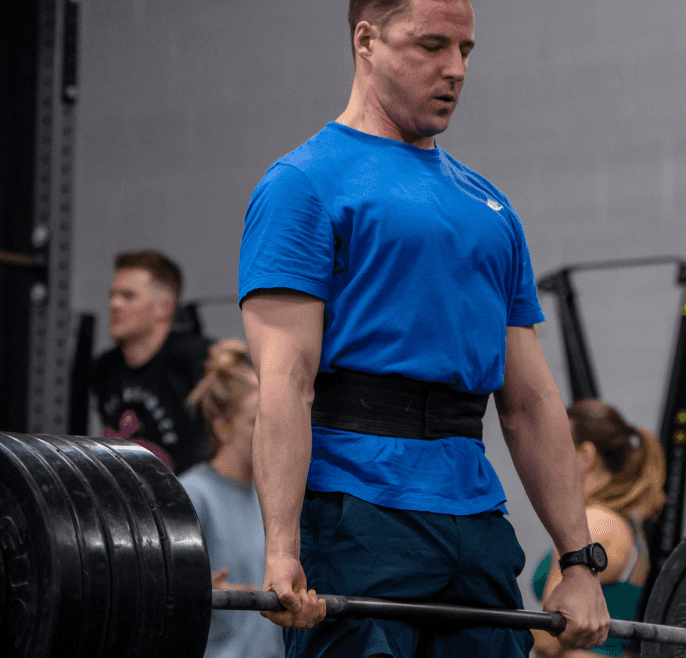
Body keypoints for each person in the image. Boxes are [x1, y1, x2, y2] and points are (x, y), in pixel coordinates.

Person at [237, 1, 613, 656]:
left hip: (476, 526)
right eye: (431, 45)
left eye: (465, 51)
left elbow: (530, 403)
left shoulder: (490, 208)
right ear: (367, 40)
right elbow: (285, 383)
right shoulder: (303, 184)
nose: (454, 70)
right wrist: (280, 550)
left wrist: (578, 562)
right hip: (357, 517)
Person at [531, 399, 668, 658]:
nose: (546, 458)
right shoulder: (627, 526)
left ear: (585, 457)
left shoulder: (594, 522)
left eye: (557, 447)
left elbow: (549, 638)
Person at [181, 340, 285, 658]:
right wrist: (196, 594)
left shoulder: (276, 499)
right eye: (256, 423)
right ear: (223, 426)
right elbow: (163, 603)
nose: (272, 433)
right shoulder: (192, 496)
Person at [91, 250, 212, 474]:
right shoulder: (104, 369)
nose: (115, 304)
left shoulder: (198, 361)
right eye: (112, 295)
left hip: (189, 502)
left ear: (164, 307)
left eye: (128, 296)